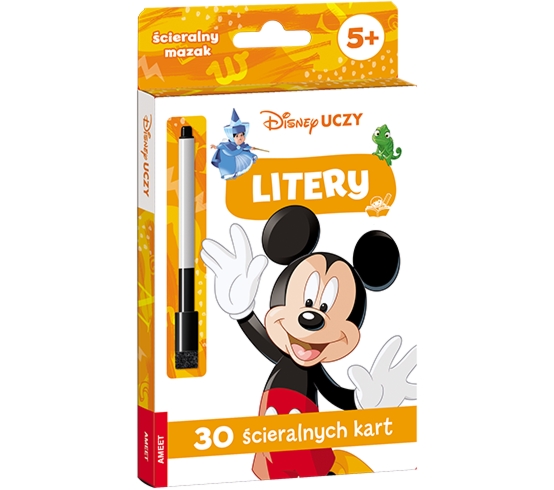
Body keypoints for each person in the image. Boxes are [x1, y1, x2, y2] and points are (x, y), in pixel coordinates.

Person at [211, 109, 258, 180]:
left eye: (241, 135)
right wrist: (215, 147)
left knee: (244, 153)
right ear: (232, 137)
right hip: (230, 157)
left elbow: (245, 147)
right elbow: (222, 146)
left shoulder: (242, 145)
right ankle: (229, 173)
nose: (240, 138)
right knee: (228, 161)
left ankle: (250, 159)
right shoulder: (227, 145)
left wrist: (251, 148)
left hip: (239, 157)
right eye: (237, 136)